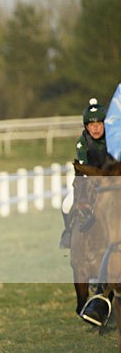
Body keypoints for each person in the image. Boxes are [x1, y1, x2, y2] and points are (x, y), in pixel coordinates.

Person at [60, 97, 109, 248]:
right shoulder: (83, 143)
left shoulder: (113, 139)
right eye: (91, 125)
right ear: (86, 127)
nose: (95, 129)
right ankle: (68, 233)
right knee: (66, 204)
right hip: (89, 182)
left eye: (99, 124)